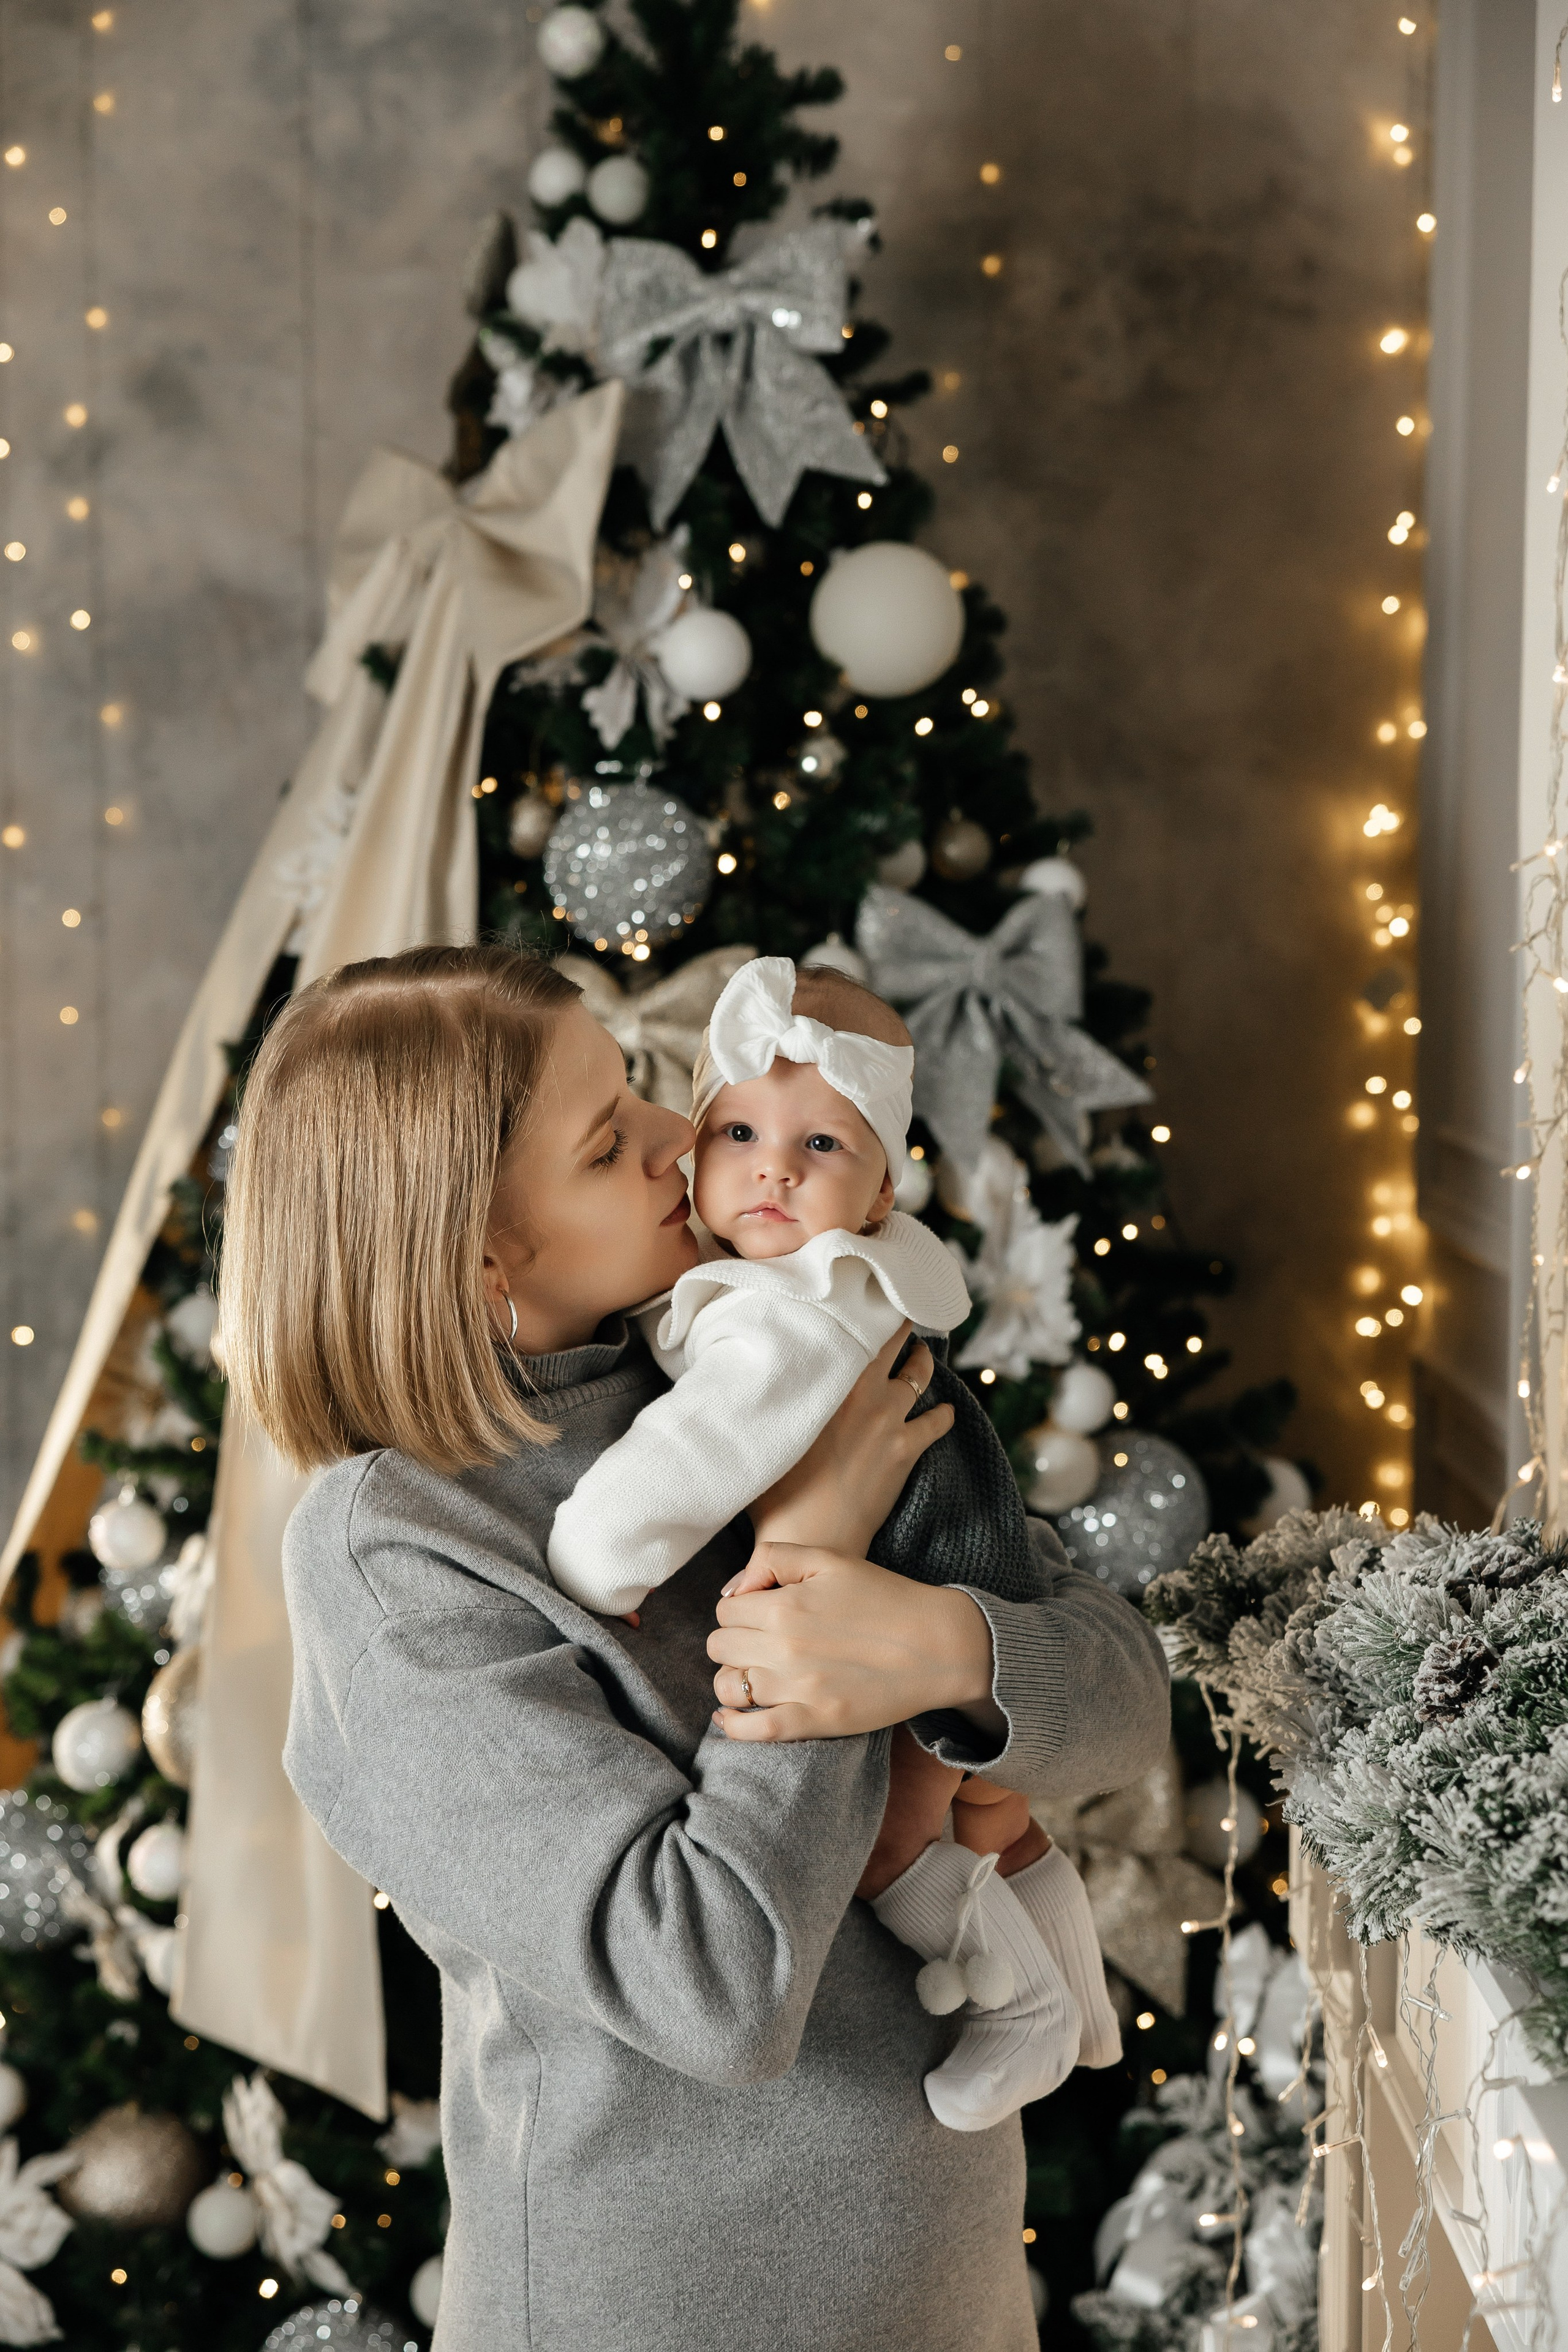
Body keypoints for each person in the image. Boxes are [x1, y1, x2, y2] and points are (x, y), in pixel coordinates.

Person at [219, 943, 1171, 2352]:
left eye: (643, 1097)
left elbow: (1122, 1701)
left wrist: (941, 1647)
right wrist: (812, 1566)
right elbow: (713, 1986)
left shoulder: (746, 1353)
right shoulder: (396, 1555)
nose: (684, 1141)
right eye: (610, 1143)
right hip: (662, 2308)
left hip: (945, 2286)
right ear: (481, 1254)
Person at [547, 954, 1120, 2128]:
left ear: (876, 1199)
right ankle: (1077, 1980)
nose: (770, 1167)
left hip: (913, 1601)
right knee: (999, 1822)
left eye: (821, 1147)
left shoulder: (788, 1317)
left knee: (895, 1845)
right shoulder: (812, 1277)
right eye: (742, 1129)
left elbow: (690, 1458)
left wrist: (595, 1563)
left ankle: (1025, 2009)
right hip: (975, 1570)